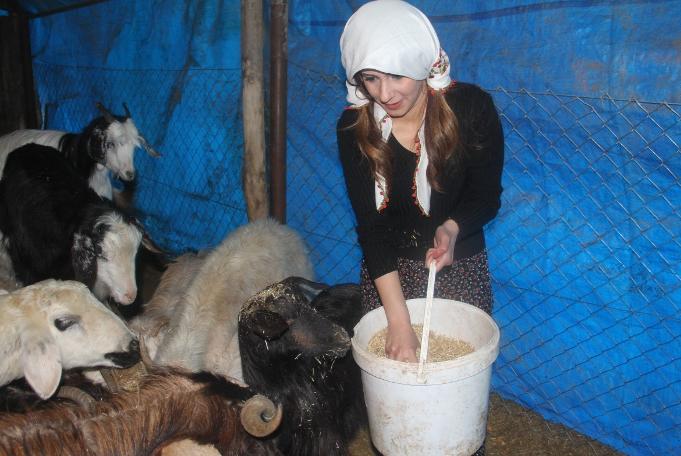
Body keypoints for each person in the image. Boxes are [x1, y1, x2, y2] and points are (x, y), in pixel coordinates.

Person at [337, 0, 504, 365]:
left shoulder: (471, 108)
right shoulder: (354, 128)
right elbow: (371, 226)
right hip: (388, 276)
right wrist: (398, 321)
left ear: (422, 65)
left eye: (397, 75)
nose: (385, 94)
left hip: (458, 264)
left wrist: (452, 227)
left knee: (455, 372)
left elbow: (486, 196)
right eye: (371, 78)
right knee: (396, 373)